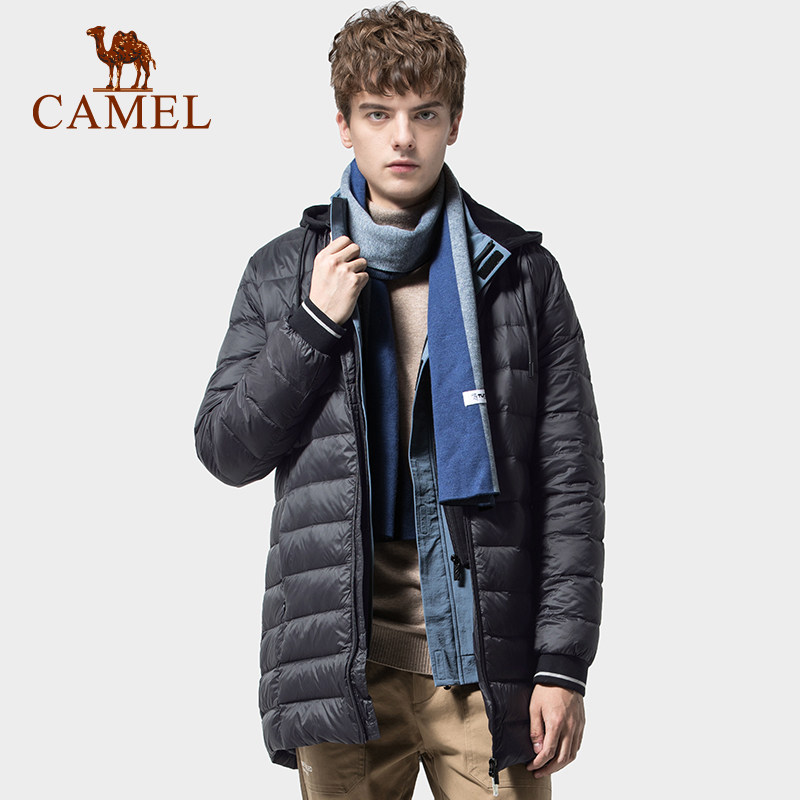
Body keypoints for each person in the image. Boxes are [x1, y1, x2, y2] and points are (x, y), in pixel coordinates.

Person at [194, 3, 605, 798]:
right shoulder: (285, 273)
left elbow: (570, 486)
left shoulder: (520, 275)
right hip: (343, 670)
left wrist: (562, 665)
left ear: (454, 124)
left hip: (486, 664)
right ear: (344, 126)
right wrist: (314, 325)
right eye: (378, 114)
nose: (403, 138)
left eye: (424, 114)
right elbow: (226, 451)